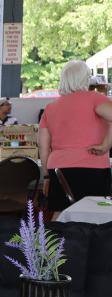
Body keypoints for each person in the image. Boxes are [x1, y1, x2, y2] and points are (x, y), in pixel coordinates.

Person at [39, 60, 112, 213]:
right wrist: (106, 145)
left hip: (59, 170)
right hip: (93, 167)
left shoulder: (51, 107)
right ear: (86, 78)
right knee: (96, 216)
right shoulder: (95, 99)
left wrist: (46, 177)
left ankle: (52, 238)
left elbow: (44, 147)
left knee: (60, 215)